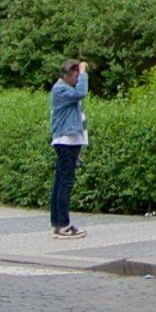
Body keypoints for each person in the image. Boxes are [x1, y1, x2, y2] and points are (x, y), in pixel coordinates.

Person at [48, 59, 91, 238]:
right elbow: (82, 92)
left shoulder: (64, 88)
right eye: (74, 76)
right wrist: (83, 72)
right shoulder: (61, 89)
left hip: (68, 141)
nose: (76, 79)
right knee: (65, 183)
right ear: (66, 76)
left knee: (61, 182)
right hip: (66, 141)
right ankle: (63, 225)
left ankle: (58, 223)